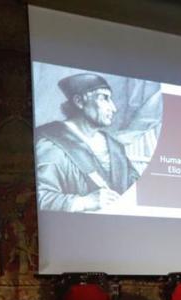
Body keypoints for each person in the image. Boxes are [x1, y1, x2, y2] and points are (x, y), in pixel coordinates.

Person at [34, 72, 138, 213]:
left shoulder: (114, 147)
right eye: (104, 98)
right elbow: (39, 198)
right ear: (79, 102)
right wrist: (83, 202)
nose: (113, 108)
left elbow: (136, 189)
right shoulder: (50, 142)